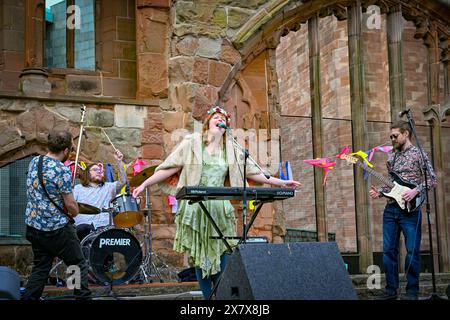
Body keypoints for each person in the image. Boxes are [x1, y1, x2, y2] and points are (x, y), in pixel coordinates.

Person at [132, 106, 301, 299]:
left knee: (224, 251)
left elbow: (255, 172)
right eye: (217, 117)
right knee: (201, 256)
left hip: (220, 207)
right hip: (196, 207)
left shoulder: (231, 149)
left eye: (224, 119)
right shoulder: (191, 143)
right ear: (208, 122)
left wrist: (281, 181)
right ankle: (207, 298)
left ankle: (221, 296)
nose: (221, 120)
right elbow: (169, 168)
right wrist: (144, 184)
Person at [369, 120, 437, 300]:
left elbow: (432, 179)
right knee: (388, 251)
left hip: (411, 211)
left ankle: (412, 291)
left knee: (412, 250)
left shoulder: (419, 154)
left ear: (406, 134)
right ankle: (391, 291)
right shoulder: (391, 157)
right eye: (390, 136)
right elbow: (393, 186)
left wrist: (415, 190)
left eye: (395, 136)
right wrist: (380, 193)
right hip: (391, 210)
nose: (392, 139)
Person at [23, 130, 91, 300]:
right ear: (66, 151)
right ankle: (81, 297)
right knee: (77, 265)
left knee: (40, 268)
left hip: (33, 227)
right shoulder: (62, 170)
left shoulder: (34, 162)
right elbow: (71, 206)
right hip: (56, 230)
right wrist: (75, 211)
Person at [73, 149, 127, 241]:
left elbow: (123, 181)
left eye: (100, 170)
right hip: (82, 228)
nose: (98, 171)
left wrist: (119, 162)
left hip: (103, 228)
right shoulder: (78, 188)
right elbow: (71, 206)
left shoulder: (109, 187)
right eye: (95, 170)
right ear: (87, 173)